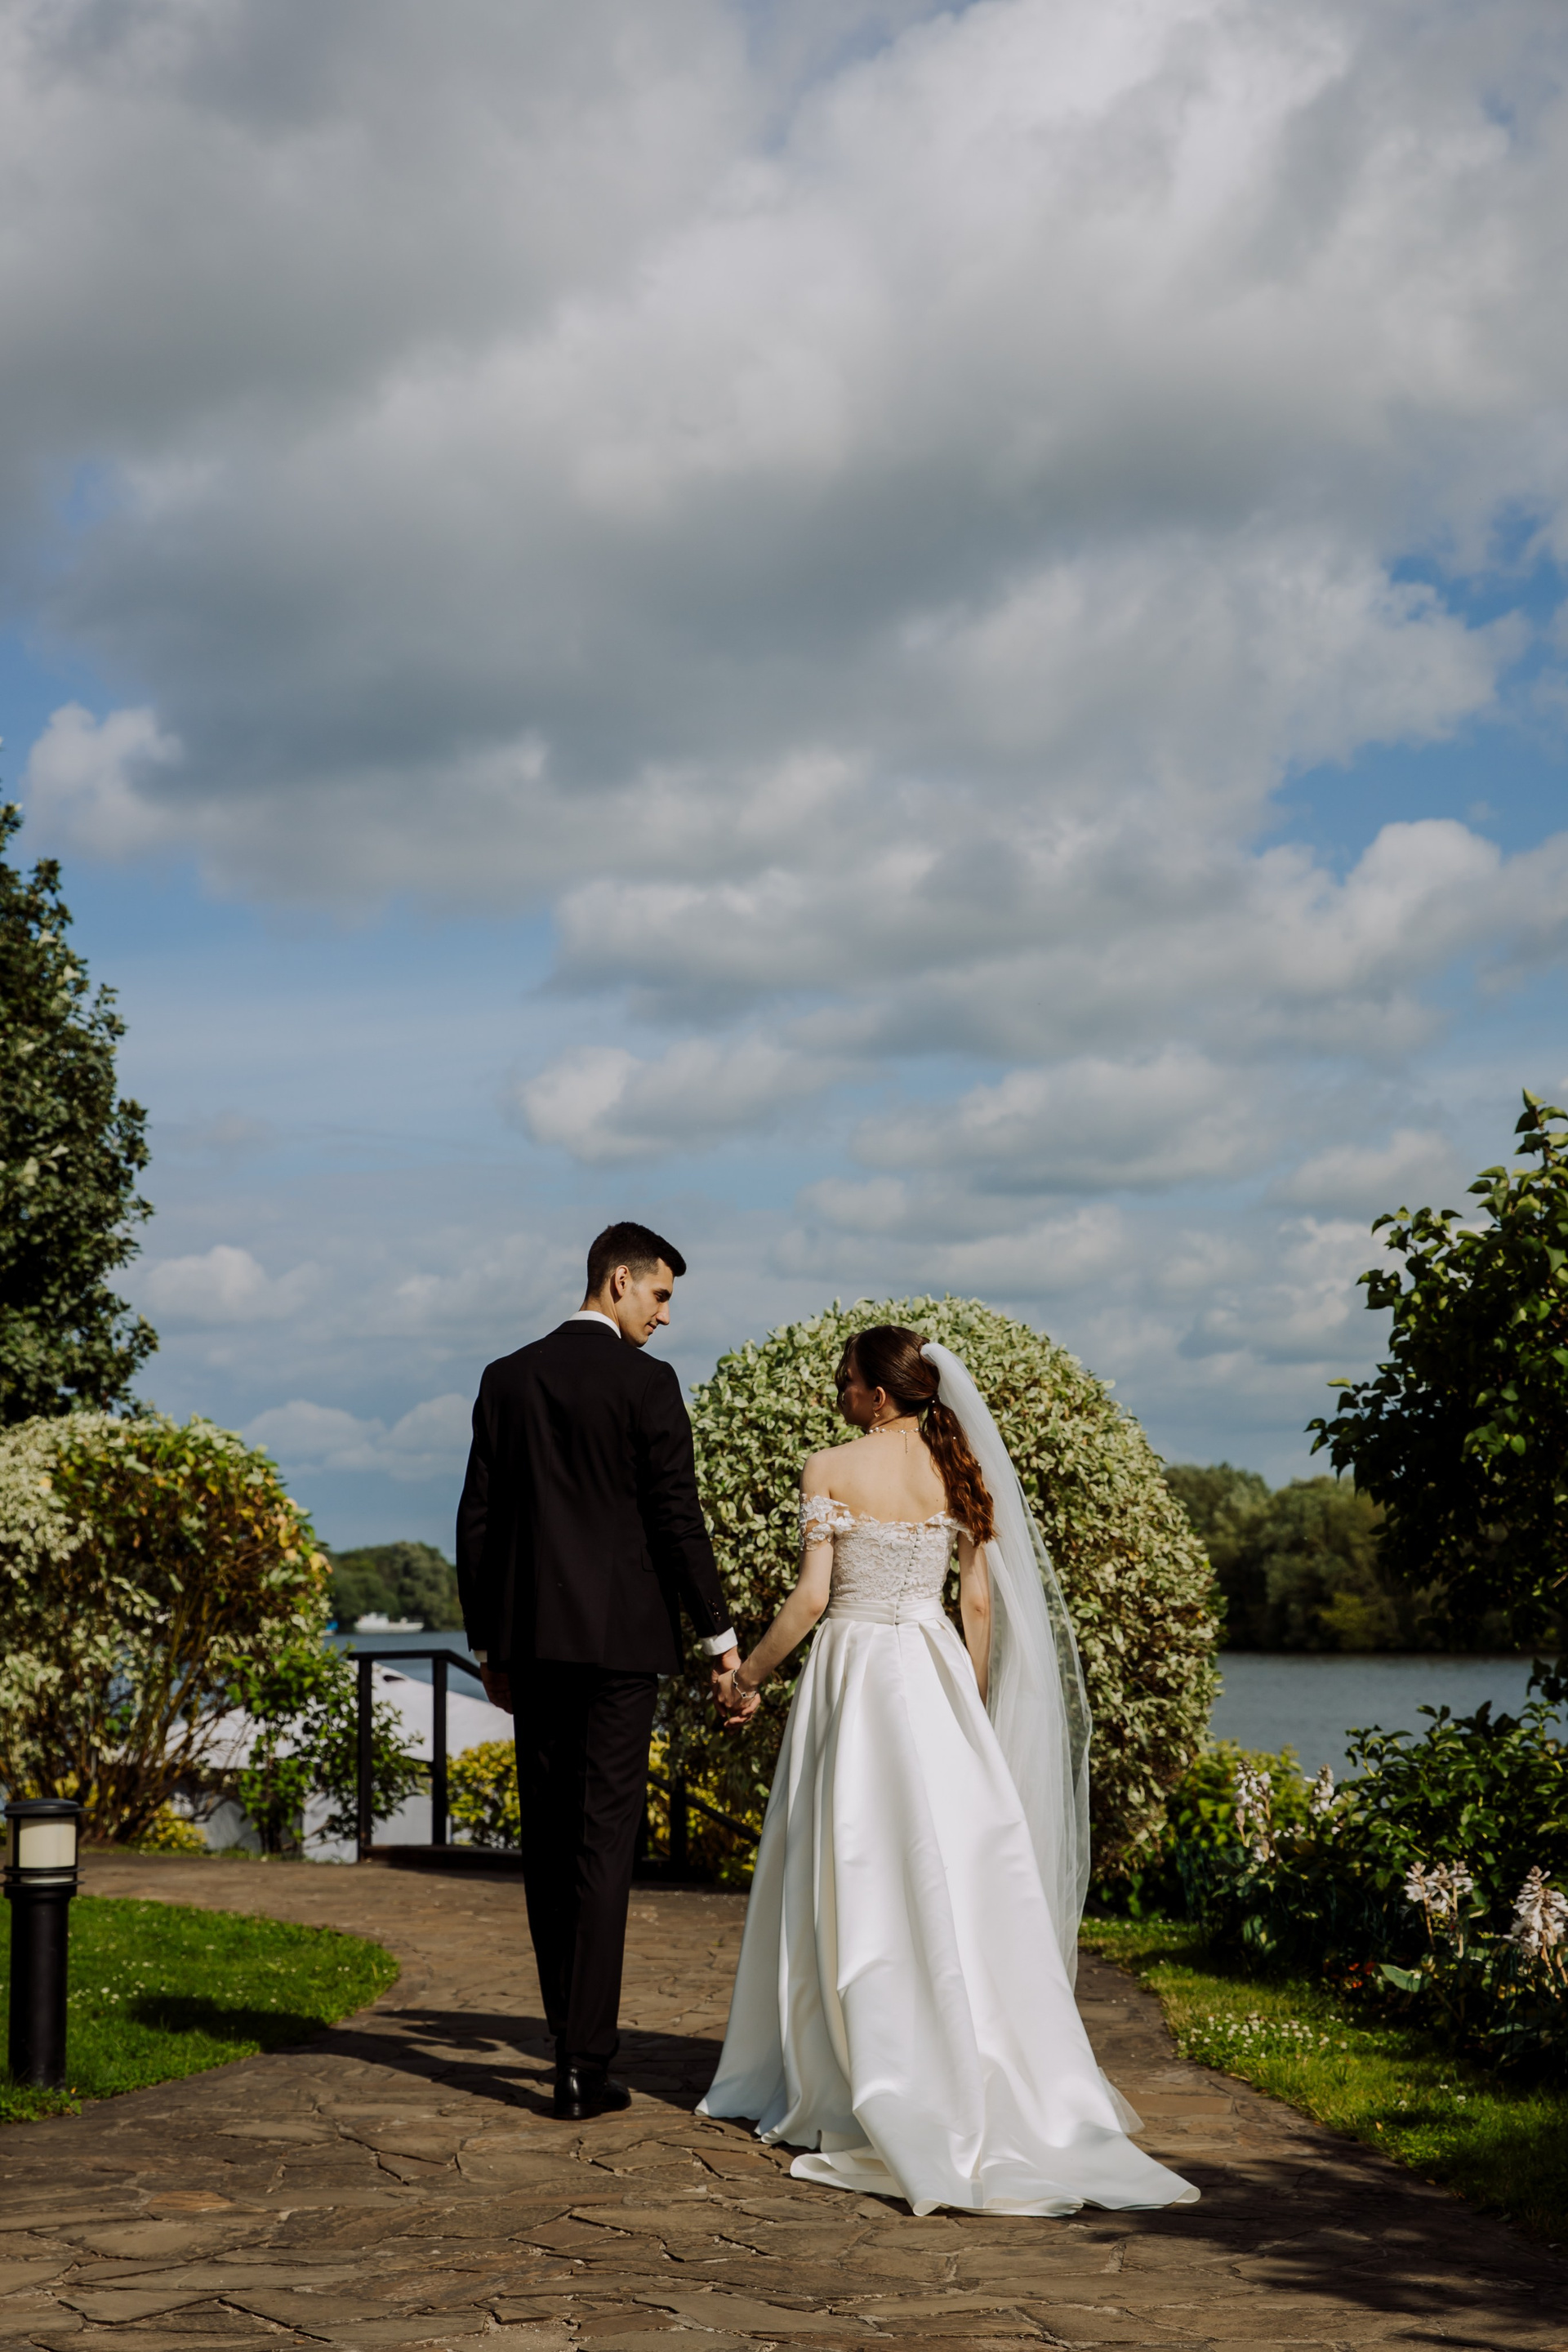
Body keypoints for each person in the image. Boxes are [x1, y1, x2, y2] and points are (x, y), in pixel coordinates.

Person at [698, 1324, 1200, 2218]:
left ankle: (849, 2061)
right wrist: (969, 1705)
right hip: (931, 1673)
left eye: (847, 1381)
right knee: (953, 1870)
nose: (840, 1394)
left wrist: (747, 1680)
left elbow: (812, 1600)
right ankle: (965, 2048)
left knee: (852, 1859)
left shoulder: (828, 1467)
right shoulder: (958, 1469)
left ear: (878, 1394)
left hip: (855, 1675)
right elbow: (975, 1603)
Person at [456, 1222, 744, 2120]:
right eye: (660, 1295)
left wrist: (489, 1645)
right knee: (603, 1846)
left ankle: (569, 2048)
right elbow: (676, 1518)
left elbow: (477, 1521)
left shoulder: (506, 1378)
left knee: (548, 1843)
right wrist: (721, 1640)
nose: (665, 1317)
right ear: (619, 1280)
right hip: (622, 1649)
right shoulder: (647, 1384)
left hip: (533, 1647)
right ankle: (584, 2063)